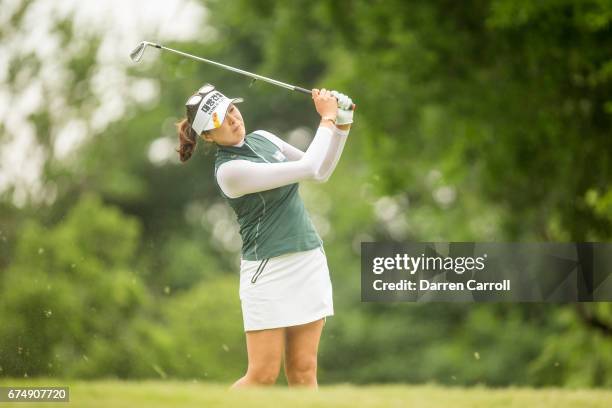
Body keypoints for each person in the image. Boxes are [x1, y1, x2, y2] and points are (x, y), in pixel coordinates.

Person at [175, 83, 353, 389]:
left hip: (308, 259)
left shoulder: (264, 138)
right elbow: (309, 167)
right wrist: (326, 119)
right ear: (208, 136)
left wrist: (342, 125)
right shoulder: (229, 170)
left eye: (231, 109)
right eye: (220, 120)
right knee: (262, 375)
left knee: (303, 370)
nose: (233, 119)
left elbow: (322, 172)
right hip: (267, 271)